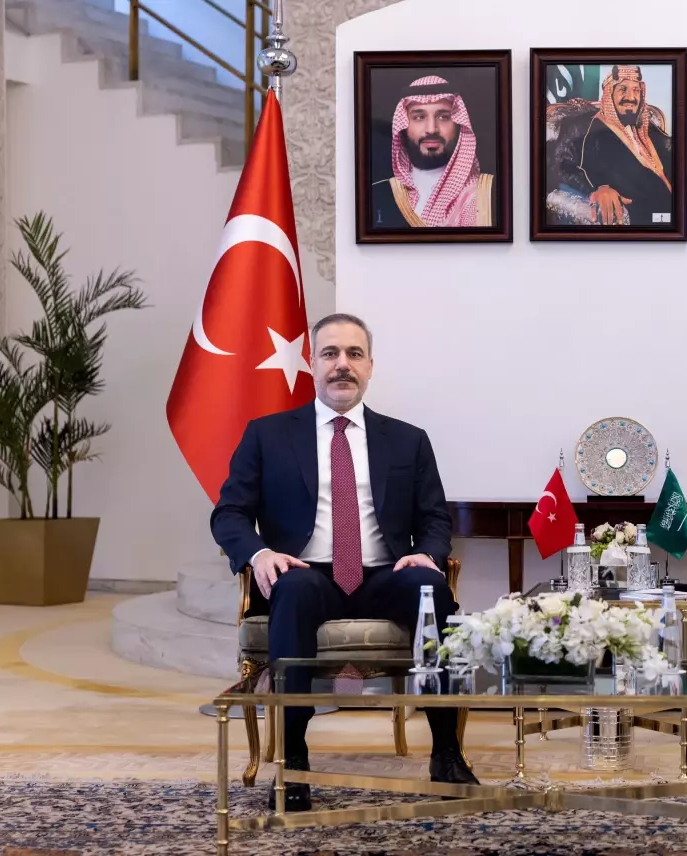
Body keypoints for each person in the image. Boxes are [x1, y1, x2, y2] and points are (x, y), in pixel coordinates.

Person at [210, 313, 478, 812]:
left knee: (432, 590)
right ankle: (293, 760)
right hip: (306, 571)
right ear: (312, 363)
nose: (342, 365)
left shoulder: (408, 439)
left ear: (370, 366)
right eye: (330, 353)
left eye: (354, 354)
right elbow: (229, 514)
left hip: (385, 573)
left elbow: (434, 517)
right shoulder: (267, 435)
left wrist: (428, 553)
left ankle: (447, 751)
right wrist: (260, 554)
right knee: (291, 590)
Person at [552, 65, 673, 226]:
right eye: (623, 89)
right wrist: (598, 189)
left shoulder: (649, 128)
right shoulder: (586, 127)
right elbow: (561, 165)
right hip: (646, 217)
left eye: (636, 90)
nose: (631, 97)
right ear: (609, 93)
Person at [371, 74, 496, 229]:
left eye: (443, 117)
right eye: (419, 117)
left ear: (459, 125)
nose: (431, 129)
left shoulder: (489, 193)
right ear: (403, 126)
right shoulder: (378, 195)